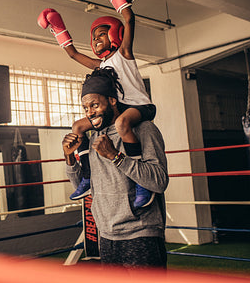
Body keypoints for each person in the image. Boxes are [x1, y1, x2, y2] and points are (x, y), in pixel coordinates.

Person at [38, 0, 156, 207]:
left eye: (101, 35)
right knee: (78, 126)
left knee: (122, 123)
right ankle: (87, 176)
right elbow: (72, 54)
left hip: (141, 107)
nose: (96, 40)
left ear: (114, 35)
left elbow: (130, 19)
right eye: (93, 37)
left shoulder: (123, 53)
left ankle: (141, 183)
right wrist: (57, 27)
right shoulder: (100, 66)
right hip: (120, 107)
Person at [62, 67, 169, 268]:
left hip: (140, 233)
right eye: (86, 108)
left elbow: (159, 181)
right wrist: (70, 158)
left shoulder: (144, 129)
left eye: (94, 105)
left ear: (112, 100)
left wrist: (115, 156)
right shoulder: (93, 137)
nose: (90, 113)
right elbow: (84, 187)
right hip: (107, 235)